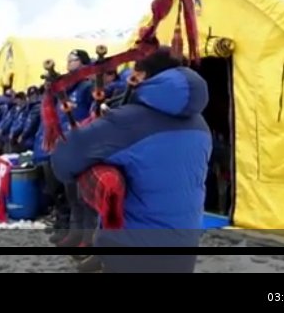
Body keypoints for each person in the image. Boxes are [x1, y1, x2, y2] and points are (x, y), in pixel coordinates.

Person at [51, 47, 212, 273]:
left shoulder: (128, 120)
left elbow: (64, 160)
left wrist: (99, 129)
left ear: (145, 76)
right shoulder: (201, 124)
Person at [47, 49, 94, 248]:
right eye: (67, 59)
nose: (68, 63)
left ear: (82, 63)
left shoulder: (86, 87)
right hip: (65, 143)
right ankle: (75, 233)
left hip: (82, 144)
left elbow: (95, 112)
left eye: (72, 60)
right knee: (71, 193)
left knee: (85, 195)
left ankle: (87, 238)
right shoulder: (65, 88)